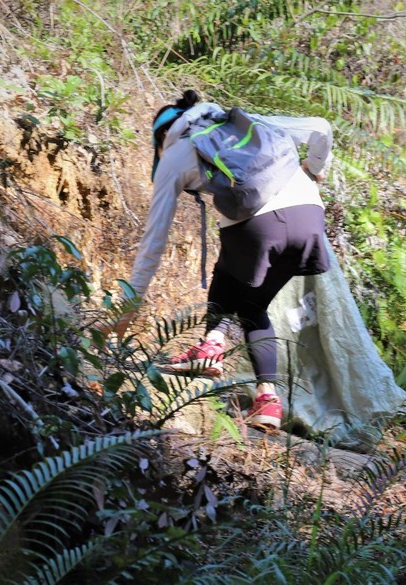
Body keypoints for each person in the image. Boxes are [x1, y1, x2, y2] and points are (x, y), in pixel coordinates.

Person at [121, 89, 333, 428]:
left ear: (163, 137)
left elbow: (154, 241)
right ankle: (267, 400)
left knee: (228, 277)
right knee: (253, 306)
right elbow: (321, 127)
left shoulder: (175, 155)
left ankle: (210, 349)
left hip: (259, 226)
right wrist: (315, 168)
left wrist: (127, 308)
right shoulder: (244, 122)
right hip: (310, 219)